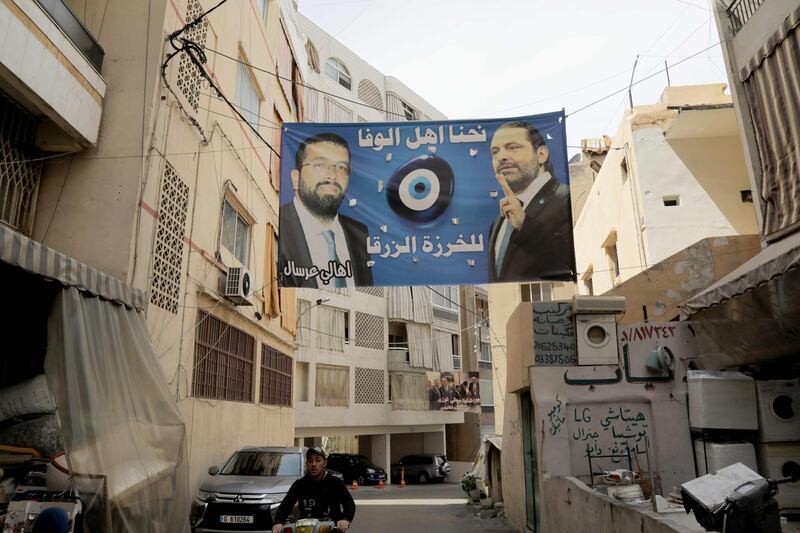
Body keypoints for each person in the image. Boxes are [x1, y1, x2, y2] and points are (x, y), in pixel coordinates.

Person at [279, 133, 373, 288]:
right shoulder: (278, 223)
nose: (332, 176)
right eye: (320, 165)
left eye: (341, 167)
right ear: (296, 178)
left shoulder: (360, 235)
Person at [487, 121, 575, 282]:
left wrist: (525, 225)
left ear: (541, 154)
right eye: (495, 152)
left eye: (513, 147)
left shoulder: (567, 198)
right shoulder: (498, 223)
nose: (501, 157)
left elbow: (572, 261)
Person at [272, 447, 355, 533]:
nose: (314, 464)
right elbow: (285, 505)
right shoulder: (299, 484)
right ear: (306, 464)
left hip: (330, 529)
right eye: (310, 461)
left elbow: (348, 502)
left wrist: (346, 519)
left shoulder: (335, 483)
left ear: (325, 463)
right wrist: (279, 522)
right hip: (305, 529)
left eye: (318, 460)